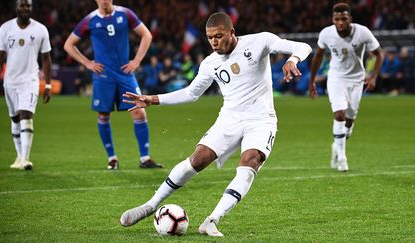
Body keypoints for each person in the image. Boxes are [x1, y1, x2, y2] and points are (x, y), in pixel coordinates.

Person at [119, 12, 312, 237]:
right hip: (229, 119)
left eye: (218, 36)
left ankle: (212, 219)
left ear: (231, 32)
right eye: (210, 37)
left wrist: (292, 59)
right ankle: (151, 205)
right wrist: (153, 99)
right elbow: (192, 93)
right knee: (197, 159)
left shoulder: (259, 41)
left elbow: (303, 46)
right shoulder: (210, 63)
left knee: (251, 161)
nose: (213, 42)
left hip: (261, 120)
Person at [64, 0, 162, 169]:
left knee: (139, 112)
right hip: (103, 76)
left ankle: (145, 158)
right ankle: (112, 158)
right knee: (103, 115)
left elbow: (147, 35)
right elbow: (68, 44)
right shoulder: (90, 20)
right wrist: (87, 63)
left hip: (125, 74)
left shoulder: (125, 14)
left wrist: (137, 60)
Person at [309, 2, 384, 172]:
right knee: (339, 114)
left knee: (349, 121)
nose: (340, 22)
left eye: (344, 18)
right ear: (333, 19)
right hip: (336, 78)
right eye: (337, 19)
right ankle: (342, 158)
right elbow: (318, 57)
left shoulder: (363, 32)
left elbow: (379, 54)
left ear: (350, 18)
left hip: (357, 80)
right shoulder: (326, 34)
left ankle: (337, 145)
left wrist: (373, 77)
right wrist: (311, 81)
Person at [0, 0, 52, 170]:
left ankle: (26, 159)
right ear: (16, 8)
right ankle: (19, 157)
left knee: (25, 115)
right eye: (22, 6)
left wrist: (47, 86)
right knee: (14, 118)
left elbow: (46, 59)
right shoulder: (6, 28)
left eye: (28, 6)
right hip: (10, 81)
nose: (26, 8)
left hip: (30, 81)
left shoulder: (40, 29)